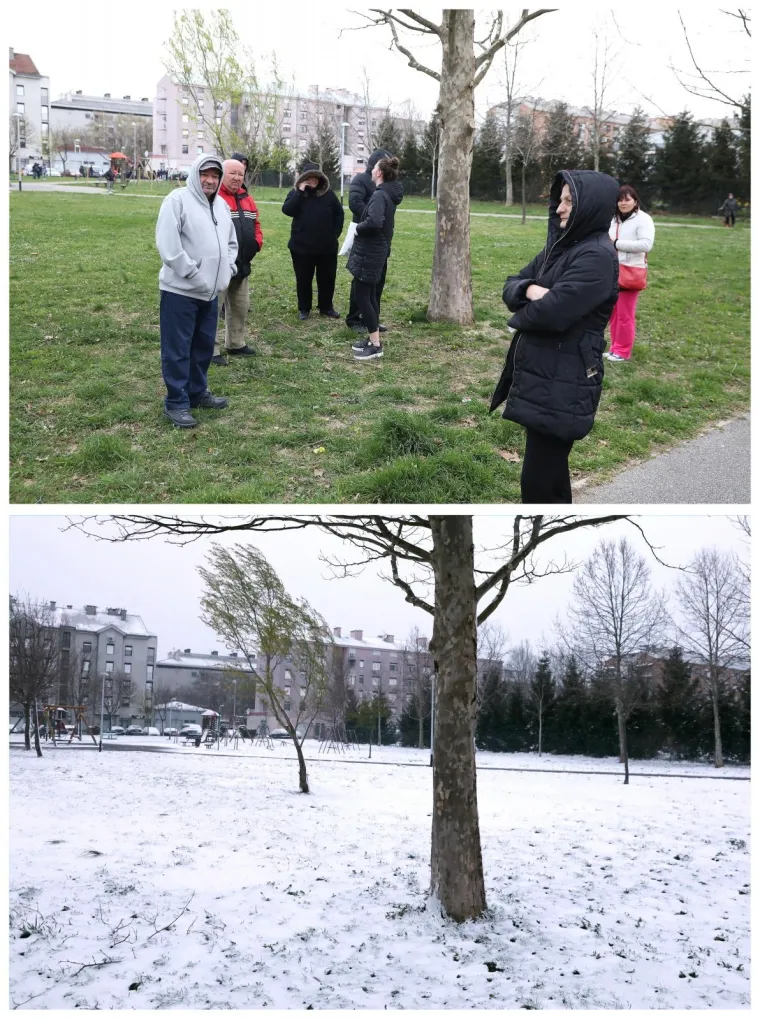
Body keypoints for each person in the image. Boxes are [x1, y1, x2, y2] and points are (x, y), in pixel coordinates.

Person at [490, 169, 619, 504]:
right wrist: (533, 289)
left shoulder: (597, 256)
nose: (559, 208)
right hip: (547, 375)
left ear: (589, 206)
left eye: (569, 201)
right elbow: (511, 284)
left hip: (566, 380)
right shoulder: (560, 248)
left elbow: (554, 312)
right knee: (551, 477)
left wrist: (523, 312)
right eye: (559, 200)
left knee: (537, 484)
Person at [155, 153, 237, 428]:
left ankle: (197, 391)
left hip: (211, 292)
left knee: (202, 347)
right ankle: (176, 402)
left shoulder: (222, 206)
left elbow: (231, 243)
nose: (210, 180)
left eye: (215, 176)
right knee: (178, 349)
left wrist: (229, 269)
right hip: (180, 291)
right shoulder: (177, 201)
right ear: (195, 174)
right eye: (205, 174)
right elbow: (168, 245)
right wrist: (192, 272)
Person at [347, 155, 404, 360]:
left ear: (379, 172)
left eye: (373, 169)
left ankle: (376, 345)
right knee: (369, 295)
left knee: (363, 296)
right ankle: (373, 339)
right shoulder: (386, 193)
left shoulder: (380, 195)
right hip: (376, 250)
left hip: (371, 251)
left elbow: (374, 222)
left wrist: (357, 229)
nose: (370, 170)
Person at [210, 157, 263, 366]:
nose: (237, 178)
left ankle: (236, 343)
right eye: (232, 173)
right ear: (223, 175)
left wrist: (256, 243)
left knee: (240, 307)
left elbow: (256, 224)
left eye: (240, 174)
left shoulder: (246, 198)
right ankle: (210, 349)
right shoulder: (214, 198)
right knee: (214, 309)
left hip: (242, 264)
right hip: (219, 265)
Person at [282, 161, 344, 320]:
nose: (312, 180)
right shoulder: (296, 193)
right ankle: (304, 308)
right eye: (308, 178)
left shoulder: (329, 194)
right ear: (303, 179)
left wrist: (334, 234)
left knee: (327, 278)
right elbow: (287, 210)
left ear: (320, 178)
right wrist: (300, 192)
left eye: (315, 177)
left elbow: (339, 214)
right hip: (301, 247)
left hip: (327, 247)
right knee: (303, 279)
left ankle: (326, 307)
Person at [605, 184, 655, 363]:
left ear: (635, 201)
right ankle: (614, 347)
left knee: (625, 315)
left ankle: (622, 351)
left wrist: (617, 243)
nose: (623, 203)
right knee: (614, 313)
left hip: (631, 272)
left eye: (627, 200)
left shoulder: (643, 219)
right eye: (620, 200)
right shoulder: (614, 219)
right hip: (611, 271)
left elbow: (645, 244)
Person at [345, 148, 392, 333]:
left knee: (377, 281)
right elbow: (354, 203)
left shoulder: (386, 186)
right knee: (361, 281)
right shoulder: (361, 180)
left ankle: (371, 319)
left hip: (381, 240)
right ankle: (354, 318)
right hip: (365, 237)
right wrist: (373, 215)